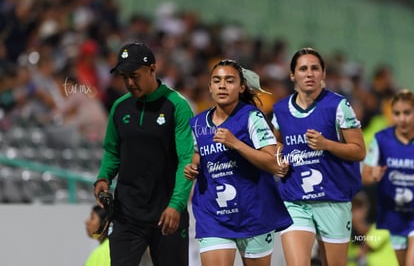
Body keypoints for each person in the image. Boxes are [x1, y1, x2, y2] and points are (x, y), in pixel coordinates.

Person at [93, 42, 194, 266]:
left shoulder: (176, 106)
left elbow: (187, 160)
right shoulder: (119, 107)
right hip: (126, 214)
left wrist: (176, 205)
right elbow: (112, 151)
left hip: (167, 213)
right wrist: (103, 177)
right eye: (124, 76)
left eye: (135, 75)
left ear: (152, 69)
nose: (129, 82)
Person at [184, 59, 293, 266]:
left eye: (229, 80)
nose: (222, 86)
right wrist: (193, 166)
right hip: (213, 215)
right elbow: (198, 154)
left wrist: (236, 144)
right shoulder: (197, 123)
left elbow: (274, 164)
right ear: (210, 86)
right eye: (217, 81)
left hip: (252, 214)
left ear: (242, 86)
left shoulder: (252, 117)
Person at [271, 47, 366, 266]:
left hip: (333, 199)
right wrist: (279, 159)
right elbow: (276, 144)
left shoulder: (338, 105)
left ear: (323, 73)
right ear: (293, 75)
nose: (309, 73)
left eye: (315, 68)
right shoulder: (280, 109)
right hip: (295, 200)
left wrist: (326, 144)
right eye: (303, 68)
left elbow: (359, 150)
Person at [361, 89, 414, 266]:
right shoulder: (381, 140)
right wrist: (374, 175)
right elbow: (365, 177)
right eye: (397, 113)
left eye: (407, 112)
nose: (402, 118)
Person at [347, 191, 398, 266]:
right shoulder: (346, 233)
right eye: (352, 207)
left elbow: (368, 244)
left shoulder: (384, 224)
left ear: (366, 208)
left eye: (358, 207)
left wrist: (355, 221)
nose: (355, 211)